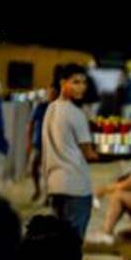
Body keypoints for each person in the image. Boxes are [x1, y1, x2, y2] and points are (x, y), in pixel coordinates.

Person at [43, 64, 98, 239]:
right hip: (76, 187)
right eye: (75, 82)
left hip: (55, 185)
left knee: (58, 243)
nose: (81, 86)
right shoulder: (76, 114)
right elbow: (89, 154)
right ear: (63, 83)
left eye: (83, 82)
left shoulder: (51, 109)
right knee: (72, 247)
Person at [26, 84, 57, 202]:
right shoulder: (41, 107)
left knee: (48, 170)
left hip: (53, 143)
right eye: (50, 93)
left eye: (53, 93)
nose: (51, 95)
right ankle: (38, 189)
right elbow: (31, 124)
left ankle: (48, 195)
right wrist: (29, 141)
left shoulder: (59, 108)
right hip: (39, 142)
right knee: (34, 167)